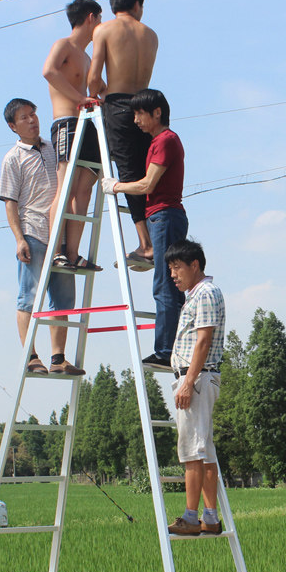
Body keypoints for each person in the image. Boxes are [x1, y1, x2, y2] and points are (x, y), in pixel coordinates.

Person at [101, 89, 187, 368]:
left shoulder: (165, 140)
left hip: (165, 216)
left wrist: (116, 186)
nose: (136, 119)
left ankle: (166, 351)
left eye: (140, 113)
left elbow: (148, 184)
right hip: (161, 217)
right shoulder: (157, 142)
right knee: (170, 284)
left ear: (157, 113)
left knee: (165, 284)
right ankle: (176, 348)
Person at [0, 98, 84, 376]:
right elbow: (10, 202)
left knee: (63, 299)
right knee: (29, 297)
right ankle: (31, 356)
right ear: (12, 126)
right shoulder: (13, 158)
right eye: (24, 117)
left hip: (60, 234)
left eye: (33, 114)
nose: (32, 120)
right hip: (33, 232)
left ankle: (59, 358)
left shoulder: (52, 147)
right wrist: (19, 239)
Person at [87, 0, 158, 268]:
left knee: (128, 173)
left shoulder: (104, 30)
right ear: (137, 5)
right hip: (147, 104)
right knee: (149, 172)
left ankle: (146, 244)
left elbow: (93, 79)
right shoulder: (150, 35)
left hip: (118, 105)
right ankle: (155, 238)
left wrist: (100, 92)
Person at [163, 240, 225, 536]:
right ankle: (210, 517)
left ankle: (190, 517)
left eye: (177, 268)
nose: (173, 275)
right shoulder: (196, 295)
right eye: (170, 269)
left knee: (191, 451)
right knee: (204, 451)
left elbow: (204, 340)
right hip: (198, 377)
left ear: (194, 265)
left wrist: (188, 382)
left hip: (197, 378)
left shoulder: (206, 293)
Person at [42, 0, 104, 272]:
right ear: (91, 17)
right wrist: (80, 98)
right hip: (67, 121)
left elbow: (99, 87)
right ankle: (56, 250)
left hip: (88, 123)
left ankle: (73, 252)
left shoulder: (88, 57)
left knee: (84, 190)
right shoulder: (63, 45)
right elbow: (49, 71)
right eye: (100, 19)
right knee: (66, 187)